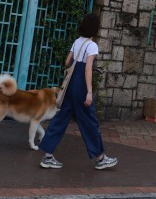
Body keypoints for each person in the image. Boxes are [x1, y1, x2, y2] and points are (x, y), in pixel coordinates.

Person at [38, 13, 118, 171]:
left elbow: (67, 62)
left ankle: (47, 156)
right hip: (81, 86)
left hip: (70, 85)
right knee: (89, 122)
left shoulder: (77, 42)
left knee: (60, 120)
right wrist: (89, 92)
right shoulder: (92, 45)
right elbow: (88, 69)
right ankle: (100, 158)